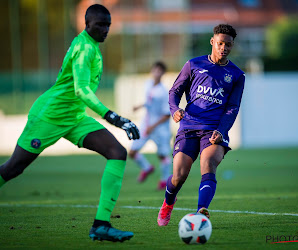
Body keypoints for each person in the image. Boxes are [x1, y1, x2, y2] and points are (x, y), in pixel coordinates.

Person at [0, 4, 139, 242]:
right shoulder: (85, 48)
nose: (105, 29)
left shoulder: (91, 45)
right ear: (87, 25)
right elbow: (81, 89)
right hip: (49, 116)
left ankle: (101, 226)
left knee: (116, 152)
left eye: (108, 25)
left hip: (74, 117)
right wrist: (112, 116)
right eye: (100, 25)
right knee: (14, 168)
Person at [157, 24, 245, 226]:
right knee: (178, 176)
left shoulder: (237, 75)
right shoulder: (193, 64)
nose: (223, 48)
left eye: (228, 45)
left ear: (232, 46)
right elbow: (174, 92)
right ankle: (168, 203)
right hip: (188, 127)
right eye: (220, 43)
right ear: (213, 42)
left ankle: (200, 212)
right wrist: (174, 109)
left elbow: (232, 107)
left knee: (208, 165)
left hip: (214, 131)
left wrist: (221, 131)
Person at [129, 62, 171, 190]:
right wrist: (140, 106)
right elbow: (149, 101)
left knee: (162, 155)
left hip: (160, 129)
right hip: (146, 125)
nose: (157, 73)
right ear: (152, 71)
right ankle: (147, 168)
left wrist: (152, 127)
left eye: (160, 71)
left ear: (163, 73)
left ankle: (165, 181)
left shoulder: (164, 92)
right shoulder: (148, 84)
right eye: (155, 70)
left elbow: (166, 114)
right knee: (132, 152)